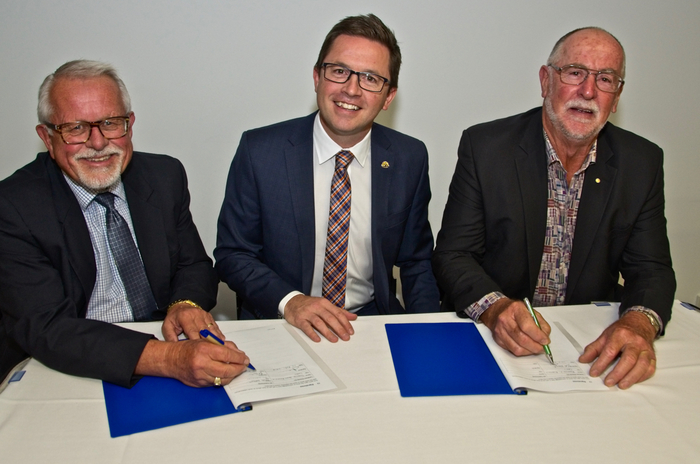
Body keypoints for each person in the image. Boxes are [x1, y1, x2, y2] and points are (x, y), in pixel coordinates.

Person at [432, 27, 675, 389]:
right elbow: (454, 255)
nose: (588, 91)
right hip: (491, 340)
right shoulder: (486, 148)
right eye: (575, 72)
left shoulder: (642, 162)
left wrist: (638, 322)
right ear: (546, 80)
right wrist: (496, 309)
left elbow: (651, 269)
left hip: (586, 349)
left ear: (617, 94)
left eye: (605, 79)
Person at [0, 60, 250, 387]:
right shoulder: (14, 205)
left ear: (129, 125)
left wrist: (184, 304)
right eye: (75, 128)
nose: (99, 142)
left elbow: (195, 265)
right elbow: (47, 327)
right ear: (47, 138)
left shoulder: (164, 176)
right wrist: (169, 359)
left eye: (110, 122)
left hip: (169, 345)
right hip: (71, 365)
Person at [215, 14, 440, 343]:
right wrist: (292, 302)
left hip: (371, 323)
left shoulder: (410, 158)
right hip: (282, 322)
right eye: (339, 71)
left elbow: (417, 261)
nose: (352, 89)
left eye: (371, 79)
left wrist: (430, 333)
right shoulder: (260, 151)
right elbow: (234, 254)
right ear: (317, 77)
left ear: (388, 96)